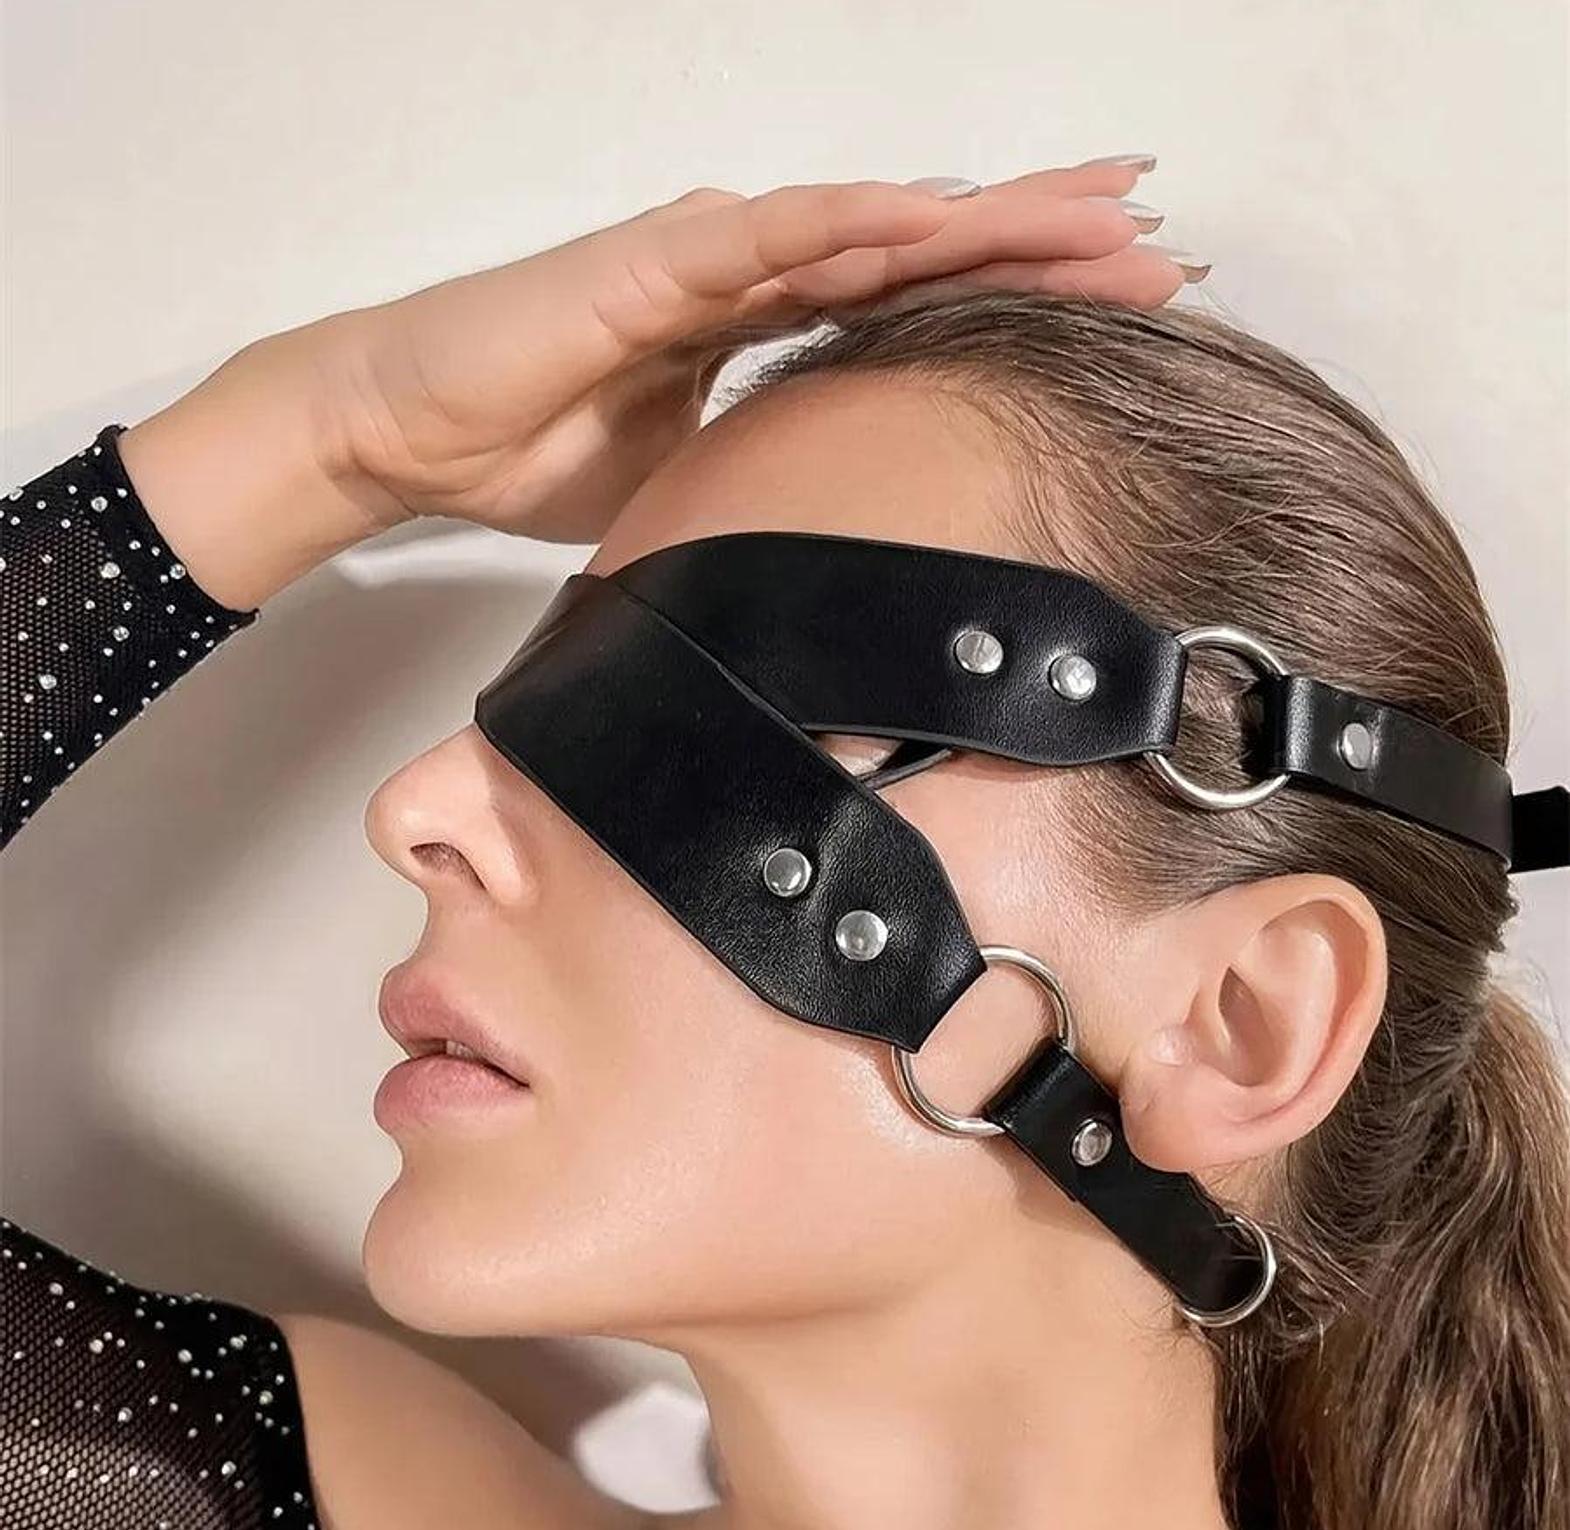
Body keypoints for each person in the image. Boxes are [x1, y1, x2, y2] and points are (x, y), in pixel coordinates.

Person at [2, 157, 1566, 1530]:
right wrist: (336, 438)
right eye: (539, 703)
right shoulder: (200, 1482)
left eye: (680, 714)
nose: (416, 810)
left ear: (1240, 1024)